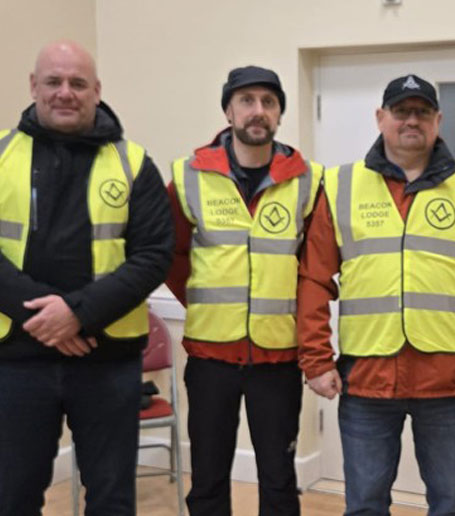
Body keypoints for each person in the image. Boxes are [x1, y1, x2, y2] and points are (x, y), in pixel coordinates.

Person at [0, 40, 173, 514]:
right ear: (33, 87)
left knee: (112, 499)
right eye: (53, 82)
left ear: (97, 90)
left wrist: (77, 314)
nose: (65, 93)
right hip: (15, 362)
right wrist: (49, 318)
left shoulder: (134, 164)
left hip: (107, 361)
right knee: (12, 500)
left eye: (77, 83)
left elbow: (154, 255)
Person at [296, 74, 455, 515]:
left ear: (438, 120)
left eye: (421, 112)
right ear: (381, 118)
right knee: (365, 503)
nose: (410, 121)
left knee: (451, 502)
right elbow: (313, 279)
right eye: (401, 111)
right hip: (366, 379)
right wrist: (316, 360)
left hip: (449, 384)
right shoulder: (341, 185)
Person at [165, 65, 321, 515]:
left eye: (269, 102)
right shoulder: (190, 174)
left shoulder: (307, 180)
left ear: (279, 115)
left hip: (278, 357)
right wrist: (203, 302)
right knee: (209, 478)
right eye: (247, 101)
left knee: (278, 479)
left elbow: (313, 268)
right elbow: (171, 255)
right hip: (211, 356)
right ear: (228, 110)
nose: (258, 111)